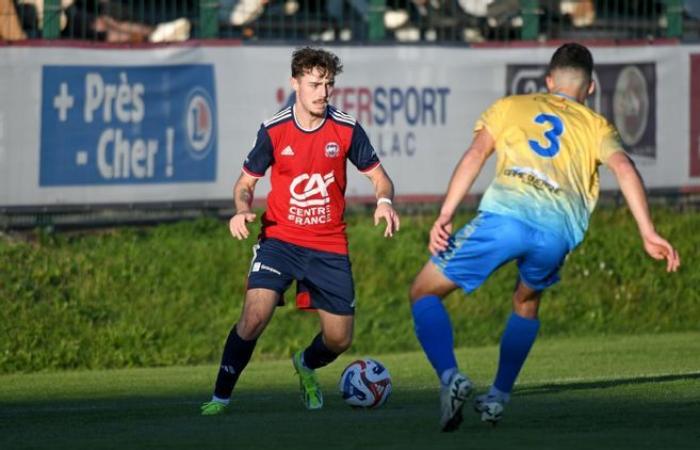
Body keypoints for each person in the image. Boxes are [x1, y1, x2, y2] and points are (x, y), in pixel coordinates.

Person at [408, 42, 680, 432]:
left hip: (506, 218)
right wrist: (648, 231)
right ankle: (498, 397)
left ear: (548, 80)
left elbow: (475, 155)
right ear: (589, 89)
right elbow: (625, 169)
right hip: (557, 233)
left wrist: (446, 214)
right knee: (526, 299)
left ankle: (451, 377)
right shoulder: (597, 126)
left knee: (423, 291)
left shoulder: (511, 106)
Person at [201, 47, 400, 415]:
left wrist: (384, 201)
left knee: (339, 339)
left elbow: (379, 177)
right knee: (254, 317)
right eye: (315, 84)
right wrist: (241, 210)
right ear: (295, 84)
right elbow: (245, 183)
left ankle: (305, 364)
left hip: (328, 245)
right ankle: (219, 398)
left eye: (328, 84)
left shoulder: (346, 128)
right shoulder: (274, 131)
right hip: (280, 240)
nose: (323, 93)